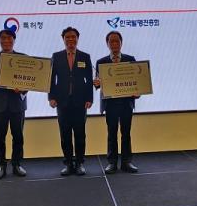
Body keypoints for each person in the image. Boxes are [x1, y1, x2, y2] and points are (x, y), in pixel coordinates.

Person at [0, 29, 27, 179]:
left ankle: (17, 164)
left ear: (14, 40)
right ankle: (0, 165)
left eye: (9, 38)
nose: (6, 41)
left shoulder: (23, 58)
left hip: (17, 104)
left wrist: (22, 88)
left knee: (18, 137)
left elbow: (30, 81)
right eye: (3, 38)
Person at [49, 27, 93, 176]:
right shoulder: (56, 56)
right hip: (62, 102)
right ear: (63, 39)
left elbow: (89, 79)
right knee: (65, 135)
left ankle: (79, 163)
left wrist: (89, 98)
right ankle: (68, 163)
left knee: (80, 134)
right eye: (67, 37)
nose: (70, 39)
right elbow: (51, 79)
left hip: (80, 102)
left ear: (77, 39)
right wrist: (51, 97)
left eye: (73, 37)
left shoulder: (85, 57)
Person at [94, 31, 139, 174]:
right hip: (110, 104)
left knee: (126, 133)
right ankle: (112, 163)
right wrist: (96, 83)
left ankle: (126, 162)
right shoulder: (101, 62)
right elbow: (97, 84)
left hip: (126, 103)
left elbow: (136, 82)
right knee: (111, 133)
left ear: (121, 43)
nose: (114, 44)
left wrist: (137, 92)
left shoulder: (130, 59)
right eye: (111, 41)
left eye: (117, 41)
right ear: (107, 44)